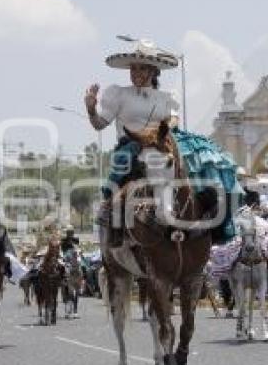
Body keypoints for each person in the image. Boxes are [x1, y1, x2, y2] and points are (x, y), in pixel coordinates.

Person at [84, 39, 241, 266]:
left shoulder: (166, 97)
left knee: (208, 158)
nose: (136, 72)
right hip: (131, 147)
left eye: (142, 68)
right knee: (123, 165)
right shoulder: (119, 94)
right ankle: (110, 213)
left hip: (163, 141)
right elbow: (100, 124)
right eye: (134, 68)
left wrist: (161, 131)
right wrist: (90, 108)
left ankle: (211, 219)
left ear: (153, 71)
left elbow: (174, 119)